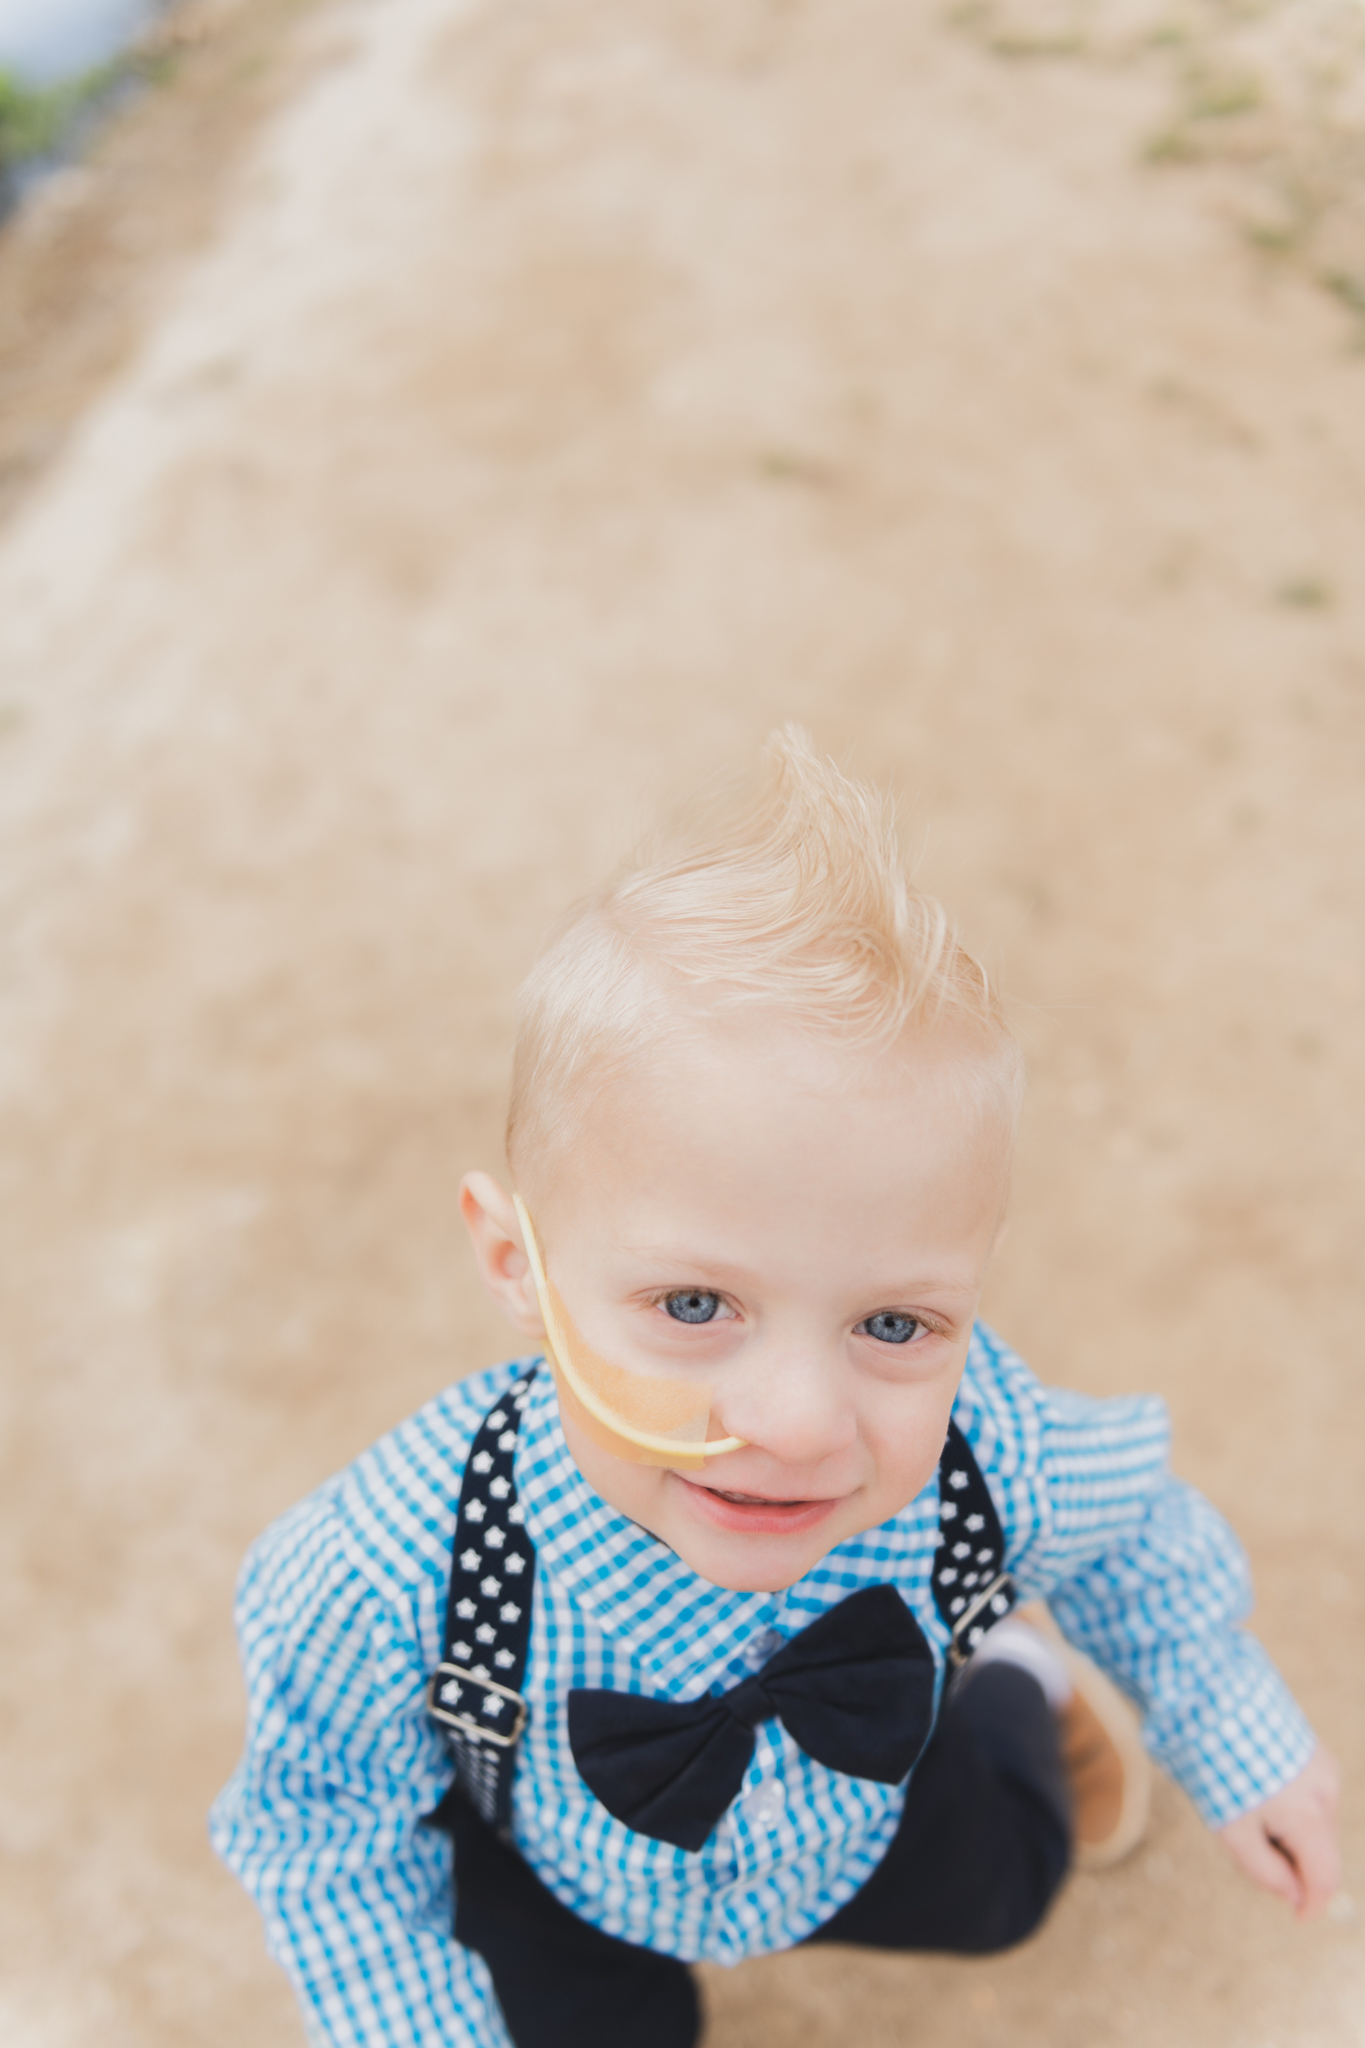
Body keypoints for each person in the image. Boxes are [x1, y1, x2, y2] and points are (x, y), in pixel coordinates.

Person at [211, 729, 1340, 2048]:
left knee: (1005, 1884)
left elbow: (1134, 1531)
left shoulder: (987, 1454)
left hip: (864, 1805)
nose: (801, 1425)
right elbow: (323, 1833)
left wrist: (1224, 1716)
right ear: (517, 1261)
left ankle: (1017, 1677)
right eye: (694, 1307)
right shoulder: (389, 1571)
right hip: (544, 1850)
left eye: (891, 1322)